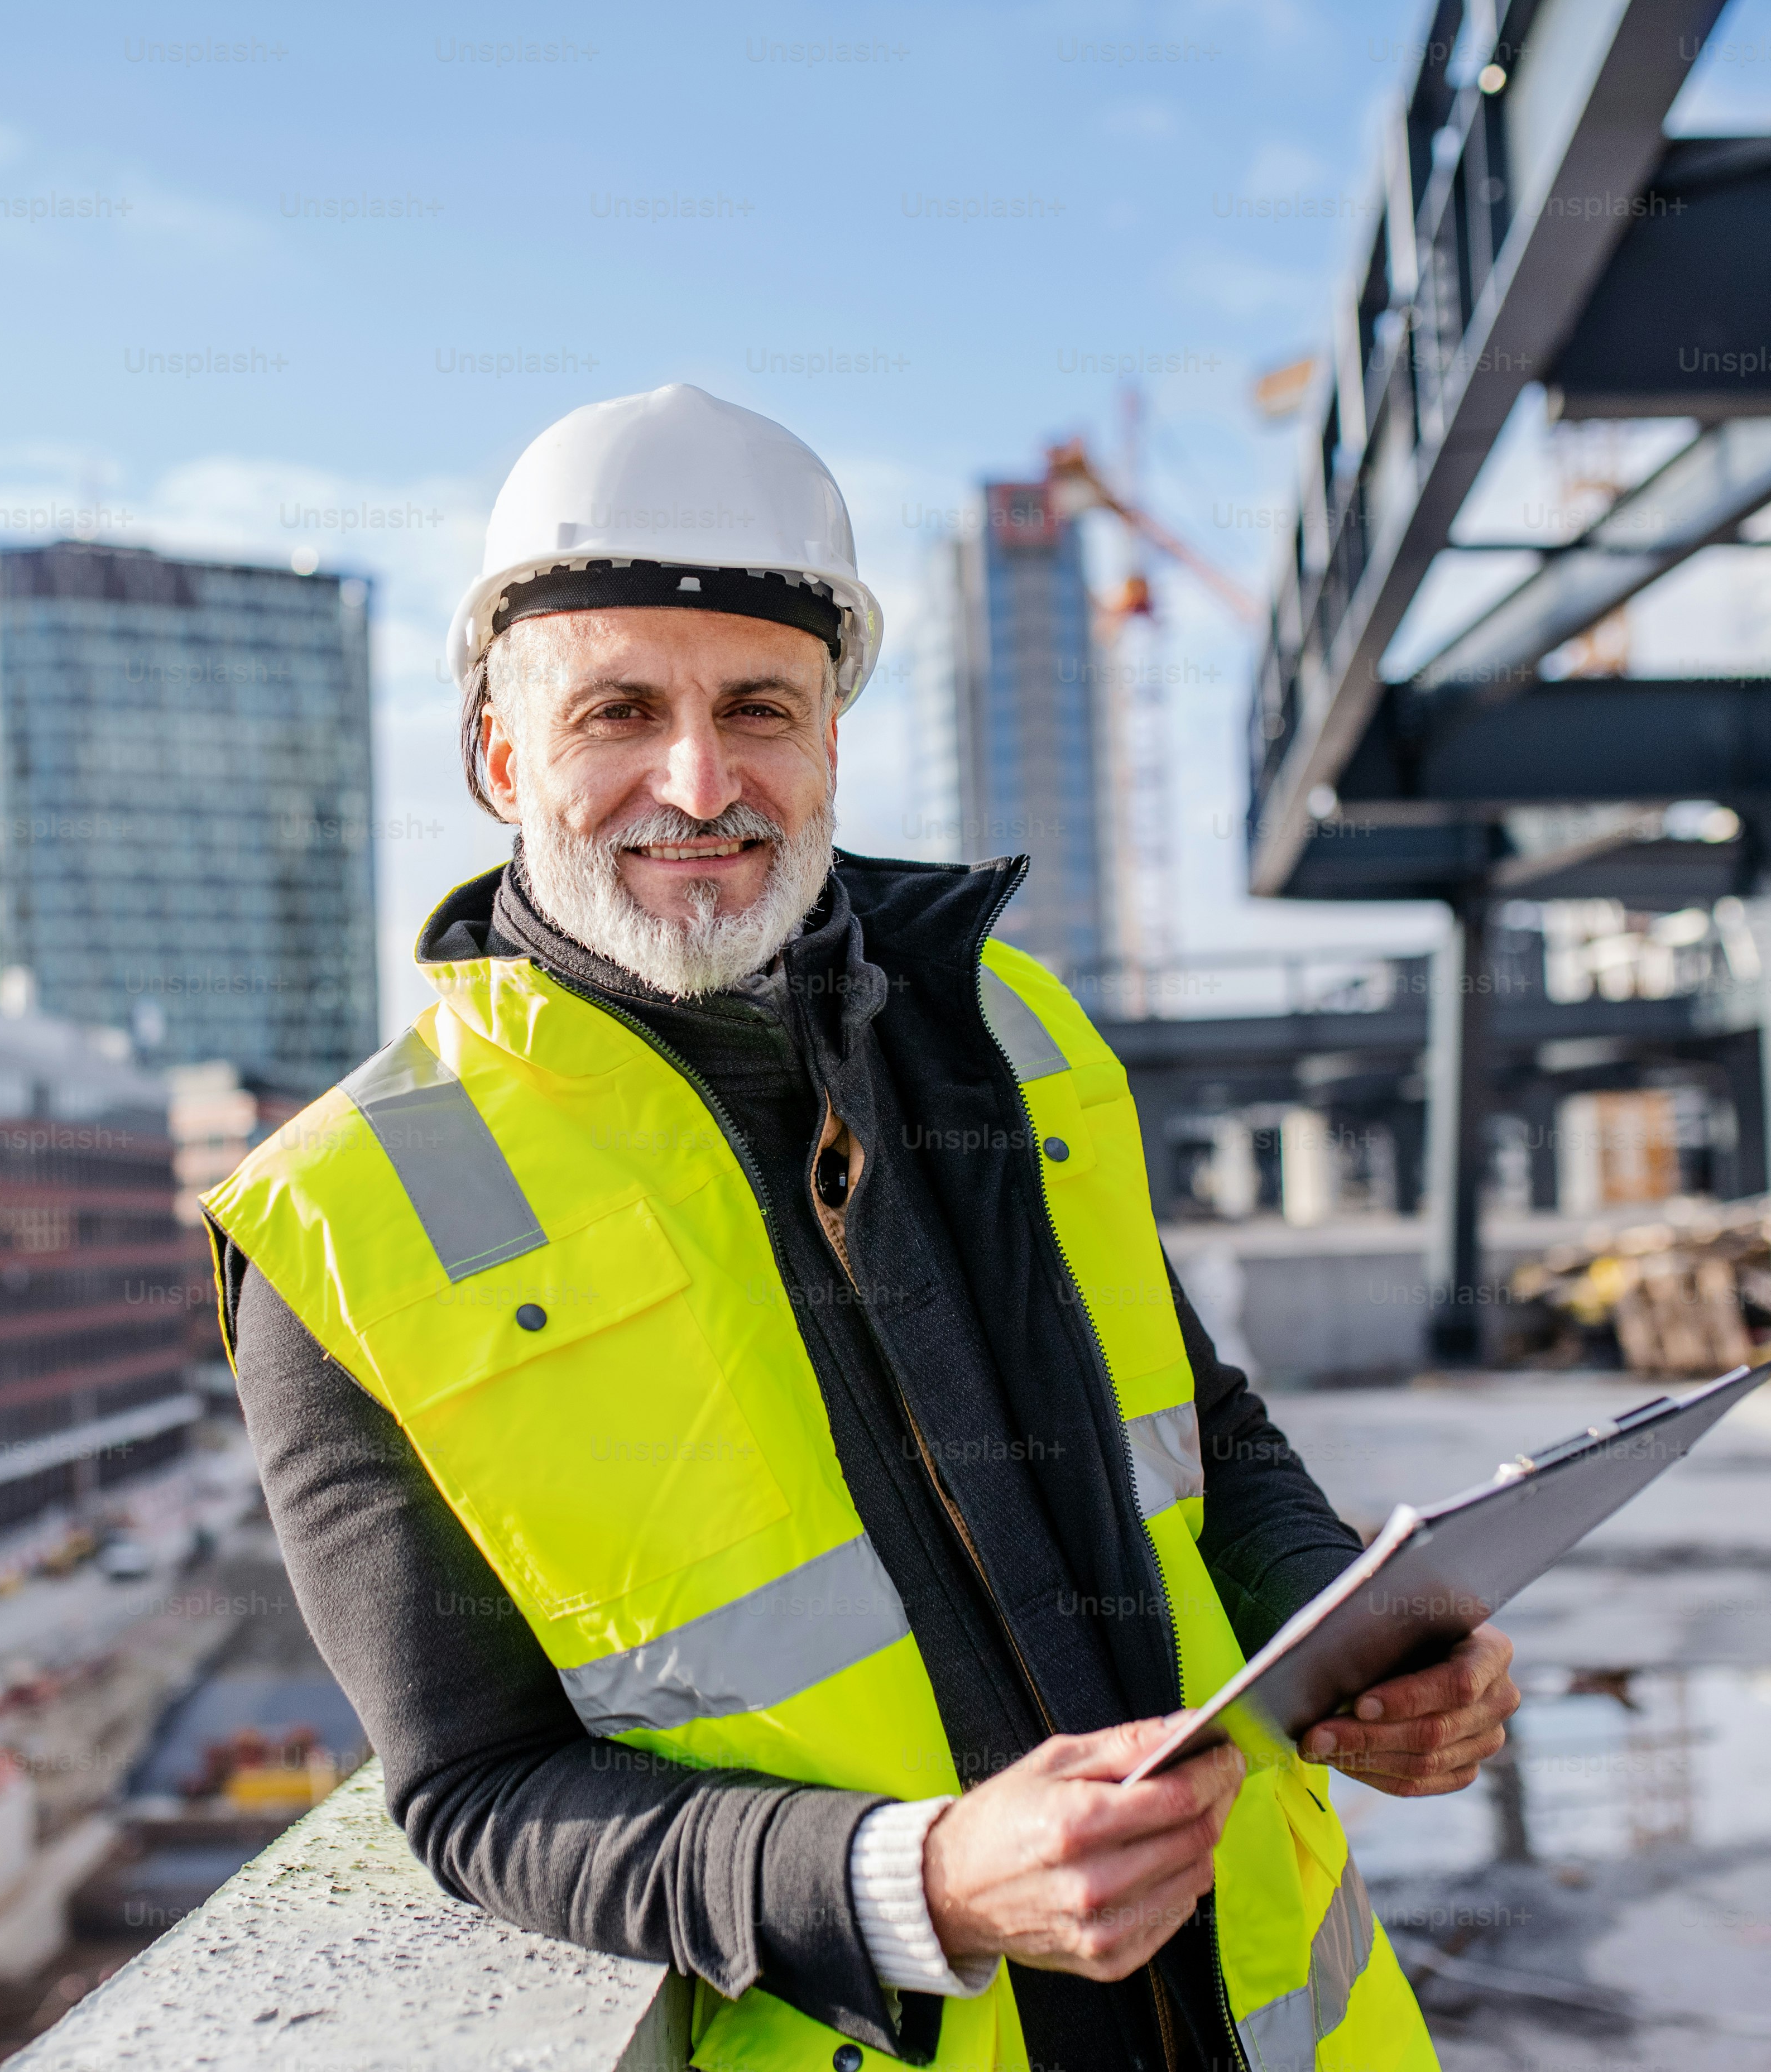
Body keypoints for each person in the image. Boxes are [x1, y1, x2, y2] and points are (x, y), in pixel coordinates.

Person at [206, 385, 1518, 2071]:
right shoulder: (345, 1224)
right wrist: (918, 1884)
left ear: (833, 739)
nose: (700, 781)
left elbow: (1206, 1434)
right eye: (618, 711)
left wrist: (1359, 1640)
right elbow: (478, 1793)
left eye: (761, 706)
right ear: (502, 755)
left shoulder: (1020, 1033)